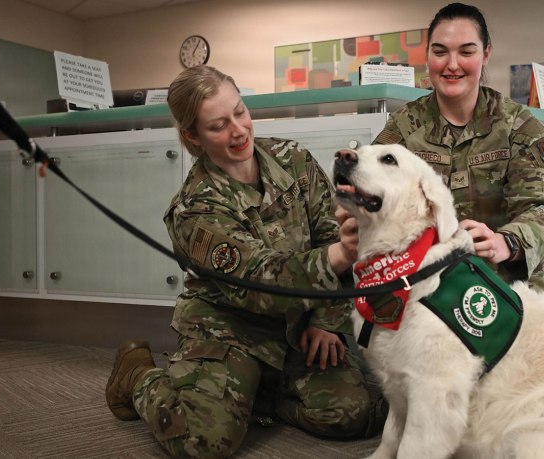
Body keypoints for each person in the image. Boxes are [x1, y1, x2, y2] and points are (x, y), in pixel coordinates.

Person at [105, 65, 384, 457]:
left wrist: (326, 322)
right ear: (193, 136)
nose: (238, 130)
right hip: (229, 327)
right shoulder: (195, 209)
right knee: (204, 443)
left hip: (299, 320)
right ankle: (137, 375)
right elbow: (259, 282)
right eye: (218, 125)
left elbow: (327, 234)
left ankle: (252, 394)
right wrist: (341, 255)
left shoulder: (295, 161)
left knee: (354, 415)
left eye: (240, 111)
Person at [373, 2, 544, 298]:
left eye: (466, 51)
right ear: (427, 56)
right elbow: (372, 199)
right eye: (440, 52)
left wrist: (507, 242)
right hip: (430, 287)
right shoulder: (402, 131)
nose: (452, 65)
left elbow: (541, 208)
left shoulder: (519, 128)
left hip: (509, 287)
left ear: (486, 54)